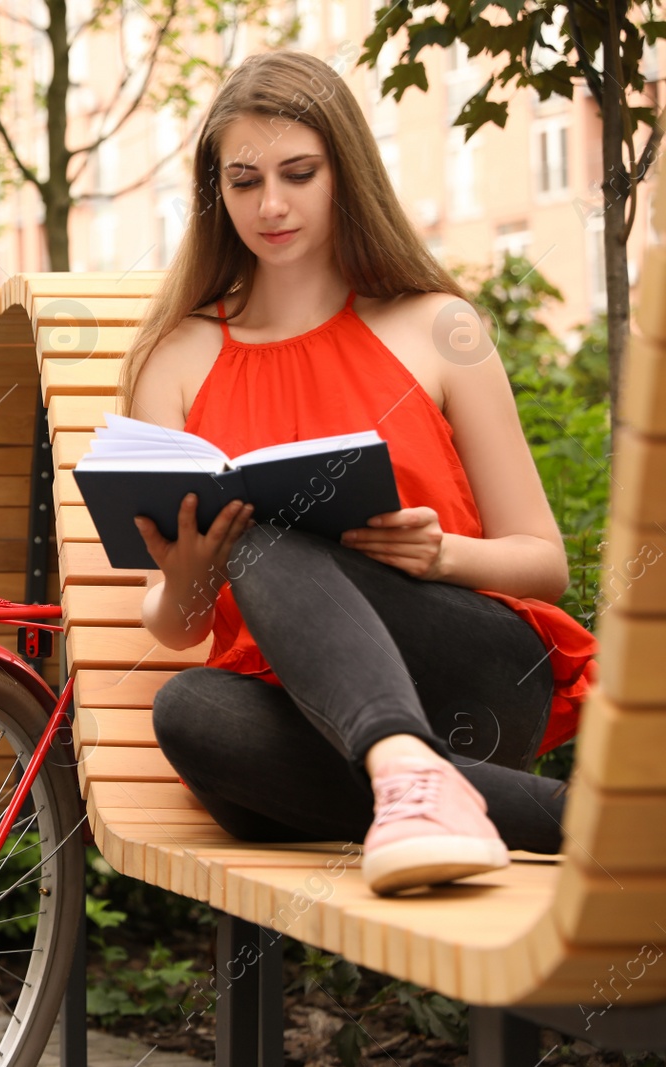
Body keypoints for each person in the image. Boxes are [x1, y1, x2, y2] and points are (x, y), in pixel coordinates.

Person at [117, 49, 599, 896]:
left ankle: (418, 767)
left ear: (346, 171)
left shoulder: (438, 326)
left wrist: (440, 553)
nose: (271, 205)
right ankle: (474, 796)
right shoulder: (177, 357)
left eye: (299, 174)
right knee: (187, 710)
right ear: (214, 192)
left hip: (470, 672)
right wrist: (187, 582)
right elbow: (178, 626)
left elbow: (544, 561)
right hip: (296, 717)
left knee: (265, 535)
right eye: (243, 180)